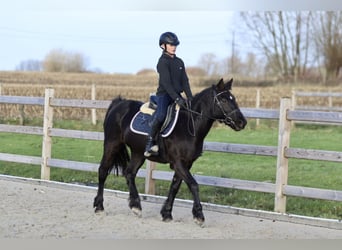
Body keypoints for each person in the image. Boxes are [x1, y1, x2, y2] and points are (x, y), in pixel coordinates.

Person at [144, 31, 193, 157]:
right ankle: (150, 142)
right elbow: (166, 84)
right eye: (171, 45)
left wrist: (190, 97)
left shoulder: (180, 62)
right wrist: (177, 98)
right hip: (164, 95)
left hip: (176, 95)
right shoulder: (162, 62)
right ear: (163, 46)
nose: (174, 47)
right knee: (161, 115)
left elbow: (185, 81)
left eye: (175, 45)